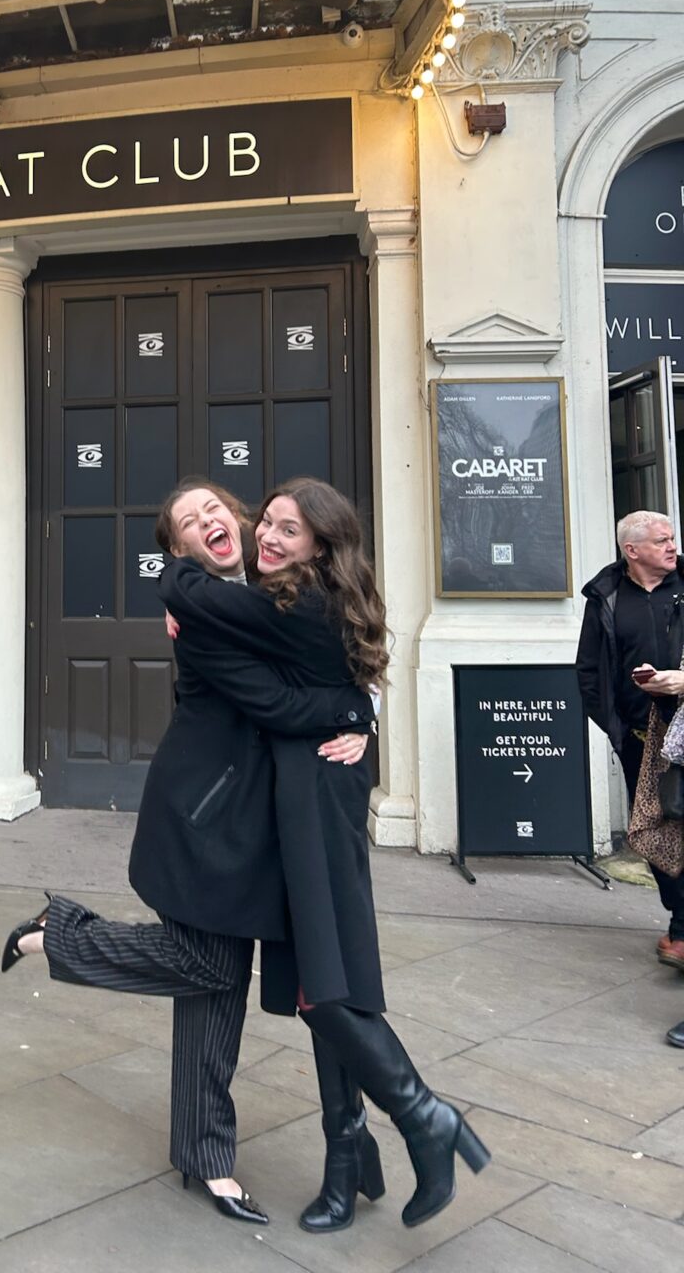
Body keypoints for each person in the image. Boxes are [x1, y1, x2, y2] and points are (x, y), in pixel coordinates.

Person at [1, 479, 373, 1225]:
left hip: (262, 830)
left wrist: (363, 710)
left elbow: (334, 654)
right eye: (187, 524)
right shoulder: (201, 608)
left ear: (242, 521)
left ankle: (206, 1161)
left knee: (216, 987)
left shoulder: (279, 585)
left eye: (217, 510)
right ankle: (61, 934)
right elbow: (275, 703)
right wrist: (349, 705)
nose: (210, 522)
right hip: (206, 823)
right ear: (178, 550)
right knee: (208, 970)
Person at [161, 478, 490, 1232]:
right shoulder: (298, 594)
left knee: (329, 984)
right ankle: (353, 1159)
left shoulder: (291, 602)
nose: (271, 538)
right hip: (294, 795)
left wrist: (174, 571)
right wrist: (358, 709)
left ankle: (422, 1120)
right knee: (325, 974)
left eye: (288, 530)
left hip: (315, 794)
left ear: (321, 546)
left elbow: (209, 609)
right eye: (268, 523)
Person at [575, 510, 684, 975]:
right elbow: (589, 673)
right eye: (662, 540)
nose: (672, 547)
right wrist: (616, 732)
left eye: (673, 538)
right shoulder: (607, 596)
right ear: (631, 550)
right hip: (642, 740)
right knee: (658, 832)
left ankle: (681, 930)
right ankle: (680, 920)